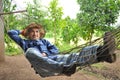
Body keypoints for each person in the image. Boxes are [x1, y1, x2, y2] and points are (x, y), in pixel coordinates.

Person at [8, 22, 116, 77]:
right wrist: (22, 31)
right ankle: (63, 69)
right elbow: (10, 33)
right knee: (30, 52)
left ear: (40, 33)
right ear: (28, 34)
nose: (35, 33)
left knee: (74, 56)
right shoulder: (25, 43)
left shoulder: (45, 41)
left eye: (37, 31)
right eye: (32, 31)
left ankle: (101, 53)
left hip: (54, 59)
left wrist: (46, 52)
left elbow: (55, 50)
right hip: (43, 68)